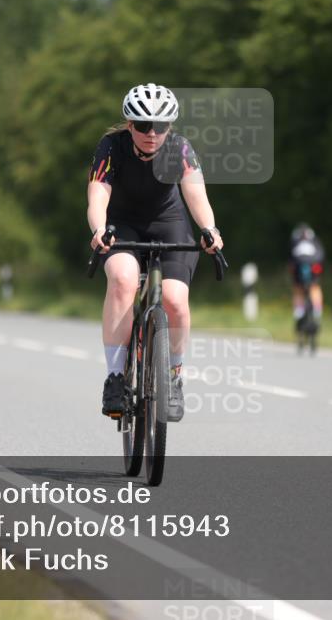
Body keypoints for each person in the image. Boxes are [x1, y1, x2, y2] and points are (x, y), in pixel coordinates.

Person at [87, 83, 224, 421]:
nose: (152, 133)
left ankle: (173, 377)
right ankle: (115, 378)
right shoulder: (111, 146)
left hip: (169, 222)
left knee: (175, 300)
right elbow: (98, 193)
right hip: (122, 224)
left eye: (160, 126)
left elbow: (196, 194)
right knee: (123, 279)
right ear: (129, 124)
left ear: (169, 127)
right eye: (143, 125)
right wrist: (99, 229)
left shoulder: (179, 149)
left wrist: (210, 229)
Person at [289, 223, 324, 332]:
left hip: (299, 265)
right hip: (314, 265)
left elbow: (290, 258)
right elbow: (322, 255)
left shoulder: (295, 240)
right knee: (315, 287)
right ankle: (317, 311)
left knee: (298, 288)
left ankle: (298, 312)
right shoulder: (314, 240)